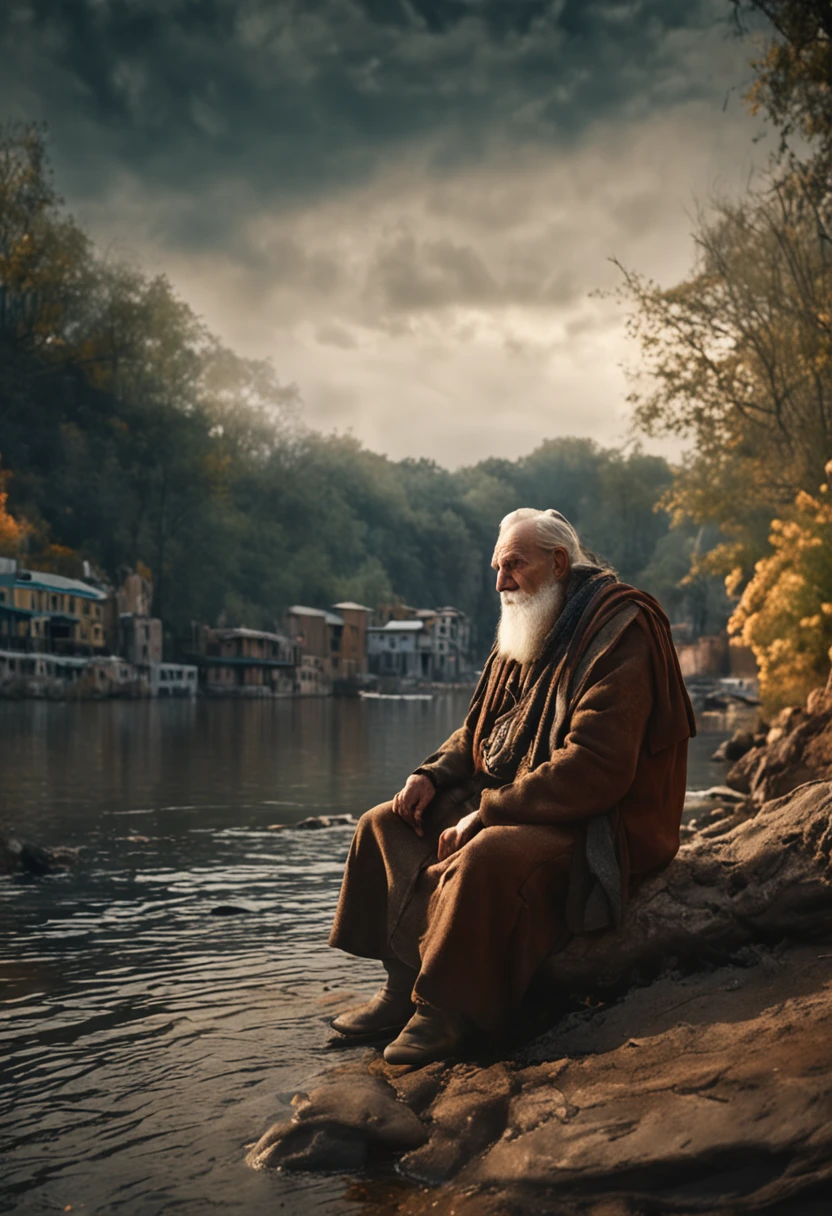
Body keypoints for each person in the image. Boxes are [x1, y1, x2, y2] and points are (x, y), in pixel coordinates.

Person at [329, 508, 695, 1066]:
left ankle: (446, 1010)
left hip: (600, 817)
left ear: (557, 562)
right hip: (530, 796)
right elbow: (481, 730)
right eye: (496, 567)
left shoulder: (620, 629)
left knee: (487, 854)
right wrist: (431, 773)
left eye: (513, 566)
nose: (501, 582)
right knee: (385, 823)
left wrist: (489, 812)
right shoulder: (532, 618)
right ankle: (402, 985)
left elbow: (597, 768)